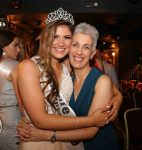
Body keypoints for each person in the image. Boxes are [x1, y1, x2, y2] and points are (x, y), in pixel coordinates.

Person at [16, 8, 122, 150]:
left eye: (67, 38)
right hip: (38, 139)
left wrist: (119, 97)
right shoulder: (30, 66)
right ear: (46, 37)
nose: (61, 43)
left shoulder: (68, 66)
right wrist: (91, 120)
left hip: (66, 140)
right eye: (55, 36)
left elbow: (109, 86)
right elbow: (39, 119)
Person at [0, 30, 22, 150]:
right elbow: (22, 102)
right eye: (15, 45)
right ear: (4, 47)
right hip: (13, 121)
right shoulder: (15, 66)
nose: (18, 50)